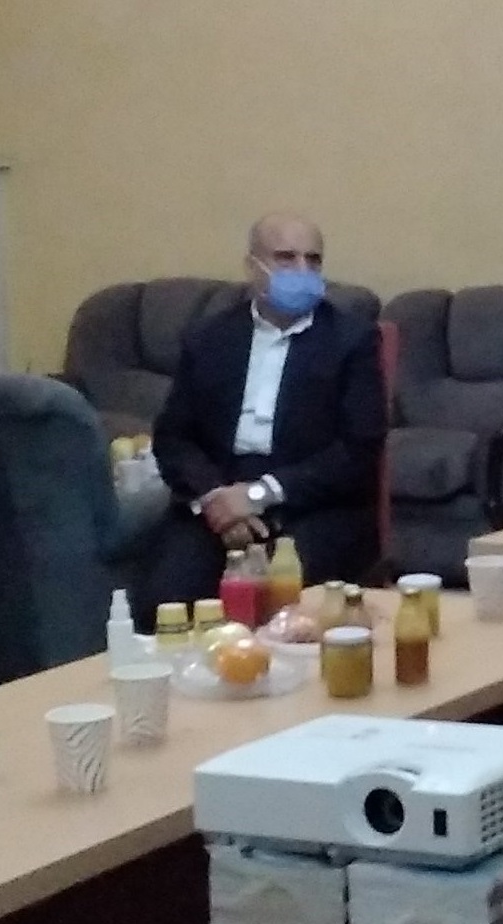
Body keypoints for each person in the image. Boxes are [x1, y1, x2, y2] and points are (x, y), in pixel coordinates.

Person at [133, 212, 386, 623]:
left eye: (313, 260)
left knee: (281, 612)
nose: (302, 270)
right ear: (253, 266)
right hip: (216, 497)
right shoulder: (209, 336)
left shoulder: (351, 339)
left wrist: (256, 495)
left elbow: (359, 448)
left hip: (309, 503)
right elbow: (174, 437)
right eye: (286, 258)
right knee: (164, 605)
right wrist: (216, 499)